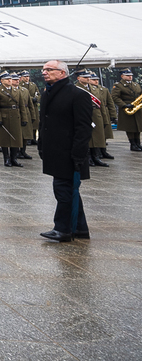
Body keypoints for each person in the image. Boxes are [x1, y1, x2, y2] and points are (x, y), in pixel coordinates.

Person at [37, 60, 93, 242]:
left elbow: (83, 128)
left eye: (49, 70)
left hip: (70, 152)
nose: (44, 73)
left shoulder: (78, 95)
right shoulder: (47, 93)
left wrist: (78, 155)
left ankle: (63, 229)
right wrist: (41, 144)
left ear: (62, 73)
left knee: (63, 190)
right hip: (54, 151)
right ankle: (80, 228)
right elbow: (44, 123)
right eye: (44, 70)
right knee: (68, 190)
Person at [0, 72, 28, 167]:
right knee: (5, 139)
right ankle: (6, 158)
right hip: (5, 117)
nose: (10, 81)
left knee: (16, 138)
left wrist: (24, 118)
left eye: (10, 79)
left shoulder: (17, 91)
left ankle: (14, 158)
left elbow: (22, 106)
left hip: (16, 116)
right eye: (7, 79)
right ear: (2, 81)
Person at [74, 70, 108, 168]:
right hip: (83, 114)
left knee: (97, 136)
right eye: (85, 77)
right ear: (78, 78)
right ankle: (87, 157)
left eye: (88, 77)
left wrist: (105, 119)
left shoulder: (95, 88)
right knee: (86, 136)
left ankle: (96, 157)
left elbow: (101, 104)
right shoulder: (75, 88)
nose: (88, 79)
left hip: (96, 113)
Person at [112, 69, 142, 151]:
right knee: (130, 127)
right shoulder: (118, 85)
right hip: (127, 109)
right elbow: (115, 97)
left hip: (137, 109)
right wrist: (124, 105)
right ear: (122, 76)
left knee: (137, 127)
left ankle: (138, 143)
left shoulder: (136, 84)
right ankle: (133, 144)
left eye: (131, 75)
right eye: (128, 75)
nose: (130, 77)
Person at [91, 72, 117, 160]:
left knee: (105, 132)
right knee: (97, 134)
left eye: (97, 80)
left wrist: (113, 115)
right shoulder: (88, 90)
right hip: (95, 113)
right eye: (93, 80)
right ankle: (97, 152)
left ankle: (103, 151)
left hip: (104, 112)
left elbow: (110, 103)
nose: (96, 81)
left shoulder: (103, 89)